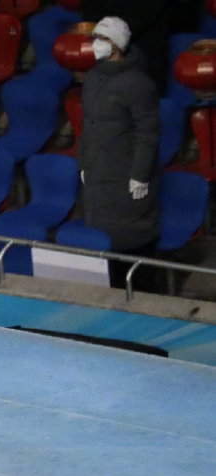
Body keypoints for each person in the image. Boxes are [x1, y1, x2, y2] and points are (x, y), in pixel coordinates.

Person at [79, 16, 161, 286]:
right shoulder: (93, 77)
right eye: (95, 37)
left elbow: (147, 134)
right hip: (98, 168)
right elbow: (87, 125)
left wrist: (140, 175)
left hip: (125, 171)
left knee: (132, 234)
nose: (95, 43)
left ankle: (143, 292)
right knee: (103, 236)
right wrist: (84, 163)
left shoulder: (139, 84)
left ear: (116, 44)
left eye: (101, 38)